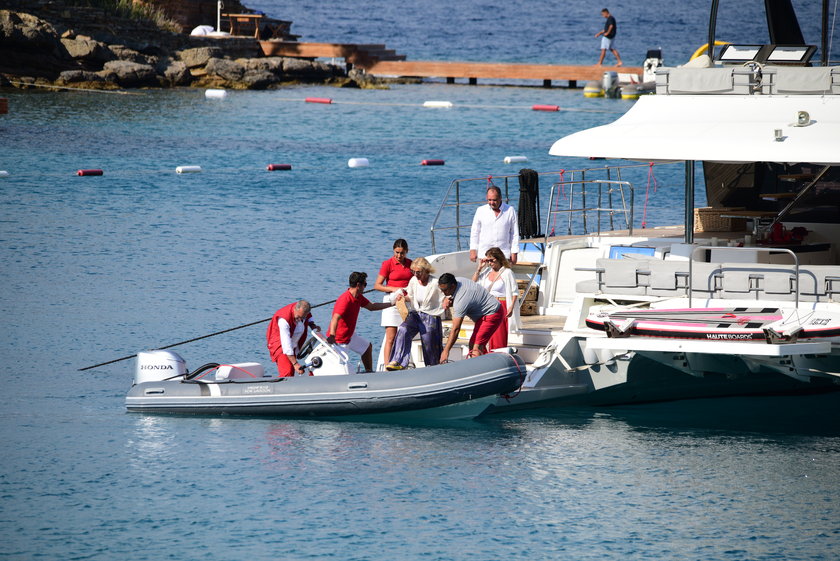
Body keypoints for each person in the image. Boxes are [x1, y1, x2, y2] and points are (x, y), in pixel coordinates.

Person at [327, 271, 394, 372]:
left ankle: (369, 372)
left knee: (366, 348)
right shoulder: (345, 299)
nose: (365, 287)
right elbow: (335, 318)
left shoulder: (358, 297)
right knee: (344, 370)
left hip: (350, 336)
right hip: (339, 340)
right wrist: (332, 335)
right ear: (358, 285)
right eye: (365, 284)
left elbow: (372, 306)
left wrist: (392, 303)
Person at [385, 257, 445, 371]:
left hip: (430, 315)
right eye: (414, 271)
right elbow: (411, 296)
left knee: (428, 339)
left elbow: (445, 295)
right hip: (416, 314)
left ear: (426, 271)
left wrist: (447, 301)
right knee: (403, 329)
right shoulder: (413, 280)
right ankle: (398, 361)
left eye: (419, 272)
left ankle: (433, 367)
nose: (416, 274)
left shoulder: (435, 283)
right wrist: (403, 297)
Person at [438, 273, 504, 363]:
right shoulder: (458, 280)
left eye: (445, 290)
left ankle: (479, 369)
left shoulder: (461, 301)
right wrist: (448, 298)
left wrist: (446, 351)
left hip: (492, 313)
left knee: (476, 348)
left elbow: (456, 329)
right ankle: (485, 363)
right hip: (483, 314)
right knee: (472, 345)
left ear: (452, 286)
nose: (443, 292)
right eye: (441, 290)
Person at [373, 239, 413, 365]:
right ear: (393, 251)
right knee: (390, 337)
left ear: (406, 252)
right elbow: (377, 285)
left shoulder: (411, 264)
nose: (399, 256)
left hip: (406, 301)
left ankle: (401, 362)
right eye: (397, 252)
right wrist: (394, 289)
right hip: (391, 301)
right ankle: (387, 366)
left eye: (402, 253)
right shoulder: (388, 264)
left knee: (405, 335)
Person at [471, 247, 519, 351]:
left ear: (499, 258)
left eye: (492, 260)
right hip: (487, 305)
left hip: (501, 304)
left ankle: (497, 354)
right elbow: (472, 284)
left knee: (498, 336)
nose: (490, 263)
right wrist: (479, 269)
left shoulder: (507, 272)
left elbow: (515, 292)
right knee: (485, 333)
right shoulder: (486, 272)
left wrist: (511, 307)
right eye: (488, 260)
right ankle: (484, 355)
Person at [266, 300, 320, 377]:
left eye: (302, 318)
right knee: (287, 372)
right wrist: (295, 364)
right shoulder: (284, 320)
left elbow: (309, 317)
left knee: (291, 370)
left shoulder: (303, 311)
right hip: (280, 344)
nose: (299, 320)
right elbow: (286, 345)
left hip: (293, 342)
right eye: (298, 317)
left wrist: (313, 325)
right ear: (295, 309)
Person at [469, 185, 519, 265]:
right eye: (489, 200)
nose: (491, 203)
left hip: (504, 255)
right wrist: (473, 250)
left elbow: (514, 234)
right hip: (484, 256)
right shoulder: (480, 211)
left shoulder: (510, 210)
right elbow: (475, 232)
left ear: (500, 198)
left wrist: (514, 253)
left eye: (494, 200)